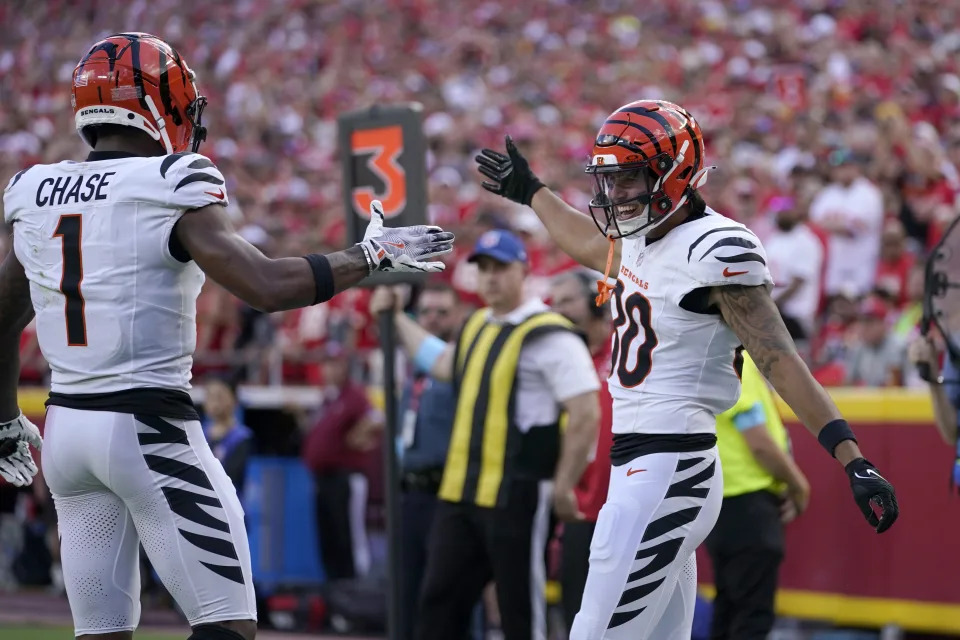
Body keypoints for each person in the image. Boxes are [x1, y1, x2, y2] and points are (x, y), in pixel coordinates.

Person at [0, 32, 454, 640]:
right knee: (226, 627)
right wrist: (367, 257)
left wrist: (5, 420)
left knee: (100, 634)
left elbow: (2, 317)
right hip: (148, 428)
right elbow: (265, 285)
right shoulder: (170, 180)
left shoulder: (36, 190)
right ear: (158, 99)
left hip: (67, 435)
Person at [474, 99, 899, 640]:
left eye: (628, 179)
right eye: (610, 179)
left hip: (670, 466)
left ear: (674, 171)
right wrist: (531, 191)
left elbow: (779, 359)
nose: (615, 194)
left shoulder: (716, 248)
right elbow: (586, 239)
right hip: (648, 466)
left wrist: (851, 458)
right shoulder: (643, 236)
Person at [371, 228, 601, 640]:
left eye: (501, 268)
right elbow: (444, 364)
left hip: (516, 494)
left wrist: (565, 484)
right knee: (438, 603)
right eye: (484, 269)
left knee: (519, 611)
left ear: (523, 271)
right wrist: (397, 320)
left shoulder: (550, 333)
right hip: (460, 494)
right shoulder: (477, 324)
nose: (491, 277)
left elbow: (585, 410)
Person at [706, 351, 810, 640]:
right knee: (751, 617)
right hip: (748, 501)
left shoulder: (711, 354)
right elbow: (759, 443)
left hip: (721, 502)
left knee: (728, 610)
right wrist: (799, 484)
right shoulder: (736, 359)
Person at [394, 282, 464, 640]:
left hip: (447, 494)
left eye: (442, 312)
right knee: (406, 591)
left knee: (448, 595)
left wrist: (394, 315)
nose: (433, 319)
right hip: (411, 494)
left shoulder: (460, 360)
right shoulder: (414, 371)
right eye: (426, 312)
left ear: (458, 317)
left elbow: (436, 356)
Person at [547, 270, 615, 634]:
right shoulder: (557, 359)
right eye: (554, 304)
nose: (559, 311)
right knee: (577, 613)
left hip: (625, 507)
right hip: (577, 509)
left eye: (568, 301)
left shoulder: (627, 347)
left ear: (595, 301)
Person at [301, 342, 382, 581]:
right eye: (326, 364)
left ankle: (356, 592)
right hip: (322, 478)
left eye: (334, 363)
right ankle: (336, 596)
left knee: (349, 537)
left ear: (344, 366)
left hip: (345, 478)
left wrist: (360, 436)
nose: (329, 369)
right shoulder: (327, 398)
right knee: (329, 539)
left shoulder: (354, 395)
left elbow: (376, 419)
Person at [202, 377, 254, 495]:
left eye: (219, 397)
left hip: (230, 505)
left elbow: (231, 476)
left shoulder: (242, 437)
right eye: (210, 397)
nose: (214, 403)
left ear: (233, 399)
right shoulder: (199, 434)